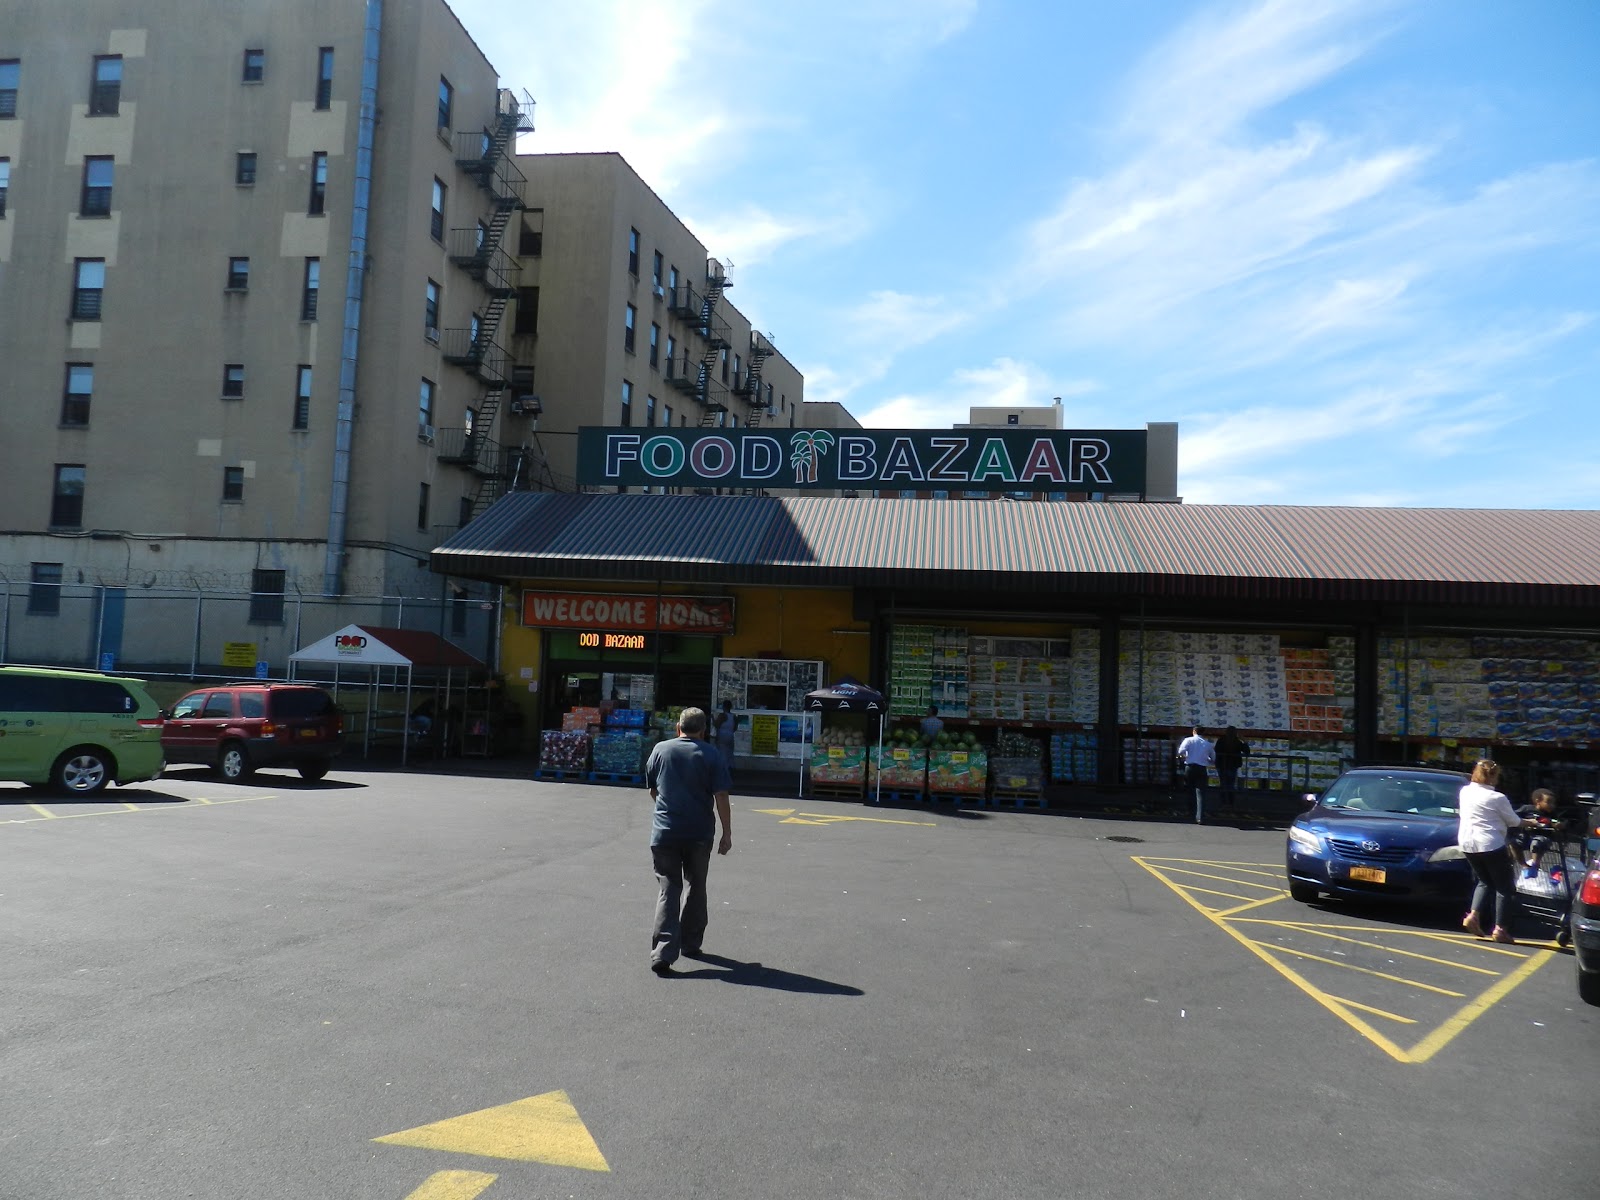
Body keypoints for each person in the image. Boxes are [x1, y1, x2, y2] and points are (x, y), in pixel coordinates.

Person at [644, 706, 733, 976]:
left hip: (665, 832)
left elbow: (653, 790)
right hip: (698, 832)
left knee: (668, 888)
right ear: (704, 731)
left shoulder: (661, 749)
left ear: (677, 727)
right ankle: (691, 943)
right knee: (696, 885)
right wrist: (726, 833)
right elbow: (721, 797)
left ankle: (663, 952)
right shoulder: (712, 754)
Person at [1457, 759, 1522, 943]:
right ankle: (1500, 929)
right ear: (1494, 775)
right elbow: (1514, 821)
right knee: (1505, 888)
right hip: (1490, 844)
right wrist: (1530, 822)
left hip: (1467, 843)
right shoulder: (1497, 798)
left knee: (1484, 881)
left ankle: (1473, 915)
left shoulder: (1465, 792)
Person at [1514, 787, 1570, 876]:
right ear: (1538, 801)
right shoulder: (1527, 809)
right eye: (1548, 802)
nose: (1552, 805)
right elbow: (1513, 816)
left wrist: (1559, 825)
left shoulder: (1552, 814)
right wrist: (1524, 822)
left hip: (1543, 837)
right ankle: (1524, 865)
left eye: (1553, 803)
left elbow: (1562, 823)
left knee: (1536, 843)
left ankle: (1535, 866)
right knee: (1513, 842)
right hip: (1526, 835)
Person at [1175, 726, 1214, 824]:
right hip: (1201, 768)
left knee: (1190, 790)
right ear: (1203, 733)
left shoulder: (1188, 740)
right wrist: (1207, 760)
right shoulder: (1207, 744)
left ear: (1194, 731)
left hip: (1190, 767)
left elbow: (1180, 752)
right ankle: (1200, 816)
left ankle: (1190, 812)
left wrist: (1185, 757)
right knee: (1201, 793)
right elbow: (1213, 758)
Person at [1213, 726, 1250, 807]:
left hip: (1222, 765)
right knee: (1231, 784)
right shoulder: (1237, 741)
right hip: (1233, 765)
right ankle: (1230, 802)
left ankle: (1223, 802)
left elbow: (1216, 750)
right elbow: (1247, 752)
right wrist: (1244, 741)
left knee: (1223, 784)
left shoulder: (1221, 740)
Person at [713, 699, 737, 764]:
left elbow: (716, 725)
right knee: (729, 753)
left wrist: (712, 718)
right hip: (730, 736)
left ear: (724, 706)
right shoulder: (734, 716)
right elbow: (735, 728)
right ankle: (730, 768)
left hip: (722, 736)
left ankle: (722, 769)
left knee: (721, 753)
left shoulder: (722, 715)